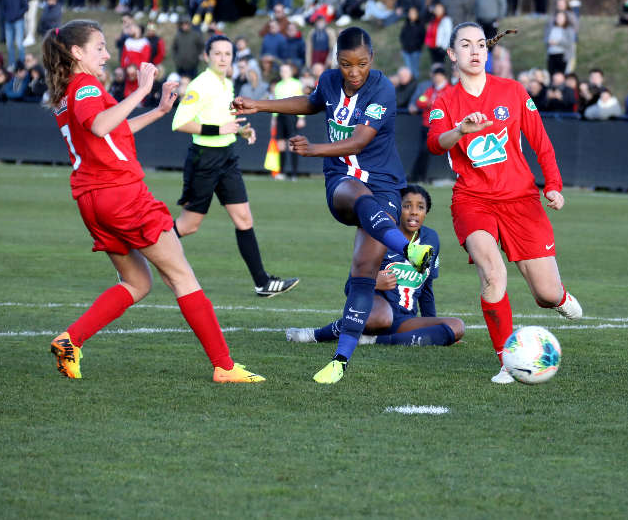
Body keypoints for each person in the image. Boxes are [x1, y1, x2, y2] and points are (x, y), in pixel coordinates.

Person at [41, 19, 263, 382]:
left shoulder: (71, 89)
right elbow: (99, 125)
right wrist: (141, 90)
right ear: (76, 52)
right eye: (99, 47)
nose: (107, 54)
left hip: (92, 199)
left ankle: (71, 340)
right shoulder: (84, 86)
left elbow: (110, 129)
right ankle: (224, 366)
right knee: (182, 277)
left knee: (137, 283)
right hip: (121, 194)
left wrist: (159, 111)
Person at [233, 27, 434, 384]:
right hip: (341, 182)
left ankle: (339, 361)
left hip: (385, 185)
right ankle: (408, 249)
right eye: (345, 64)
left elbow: (359, 141)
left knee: (363, 270)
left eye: (361, 64)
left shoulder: (383, 89)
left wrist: (313, 149)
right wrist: (260, 104)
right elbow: (312, 102)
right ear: (335, 61)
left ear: (371, 60)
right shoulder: (329, 81)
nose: (353, 72)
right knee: (354, 192)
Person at [426, 22, 583, 383]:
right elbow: (436, 143)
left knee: (544, 293)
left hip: (521, 200)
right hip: (473, 200)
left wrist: (553, 185)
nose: (475, 51)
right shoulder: (446, 101)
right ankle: (507, 361)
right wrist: (461, 129)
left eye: (480, 44)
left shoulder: (512, 91)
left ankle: (558, 298)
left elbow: (540, 141)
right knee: (492, 273)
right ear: (452, 54)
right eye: (465, 45)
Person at [170, 34, 299, 298]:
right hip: (204, 160)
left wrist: (240, 131)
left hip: (227, 158)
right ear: (206, 56)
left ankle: (262, 283)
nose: (222, 58)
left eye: (227, 54)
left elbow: (223, 120)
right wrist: (219, 129)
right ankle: (137, 249)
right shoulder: (201, 83)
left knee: (244, 219)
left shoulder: (227, 82)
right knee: (189, 226)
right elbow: (179, 122)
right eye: (217, 53)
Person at [287, 185, 465, 346]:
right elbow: (350, 287)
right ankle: (315, 334)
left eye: (420, 207)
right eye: (407, 206)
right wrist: (374, 281)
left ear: (426, 212)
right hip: (376, 314)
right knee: (381, 317)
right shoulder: (380, 235)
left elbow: (427, 289)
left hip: (405, 320)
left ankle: (375, 340)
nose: (413, 212)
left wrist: (432, 327)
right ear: (397, 208)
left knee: (457, 326)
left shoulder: (431, 239)